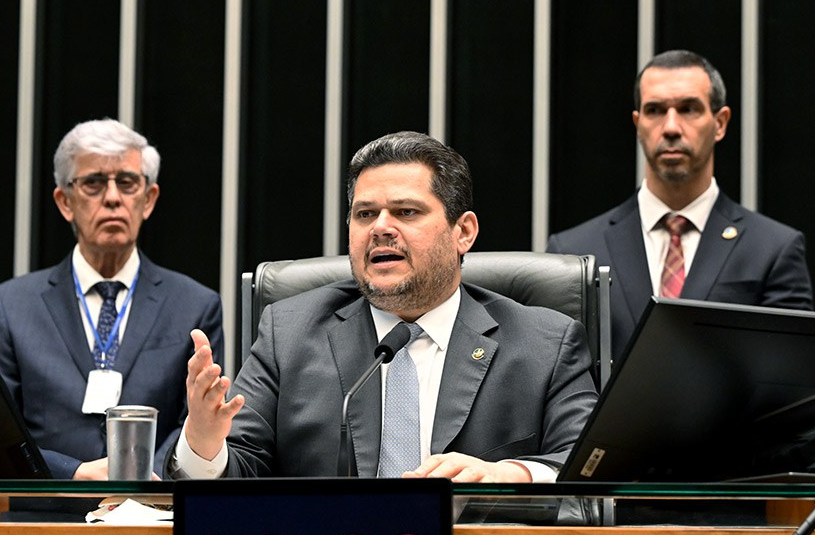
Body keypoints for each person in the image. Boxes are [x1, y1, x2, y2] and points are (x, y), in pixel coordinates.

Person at [170, 131, 598, 482]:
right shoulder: (290, 332)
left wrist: (514, 474)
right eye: (364, 214)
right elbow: (241, 473)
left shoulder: (545, 343)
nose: (380, 229)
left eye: (406, 212)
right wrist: (204, 445)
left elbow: (591, 469)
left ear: (463, 232)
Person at [0, 118, 224, 480]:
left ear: (148, 199)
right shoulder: (9, 308)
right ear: (65, 202)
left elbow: (196, 421)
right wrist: (74, 472)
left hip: (152, 518)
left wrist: (140, 474)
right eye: (94, 183)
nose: (112, 197)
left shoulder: (195, 305)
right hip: (43, 518)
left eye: (127, 183)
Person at [547, 49, 813, 364]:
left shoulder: (773, 250)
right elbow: (557, 375)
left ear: (720, 122)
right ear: (638, 124)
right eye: (656, 110)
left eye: (688, 109)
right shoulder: (573, 252)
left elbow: (789, 379)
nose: (671, 127)